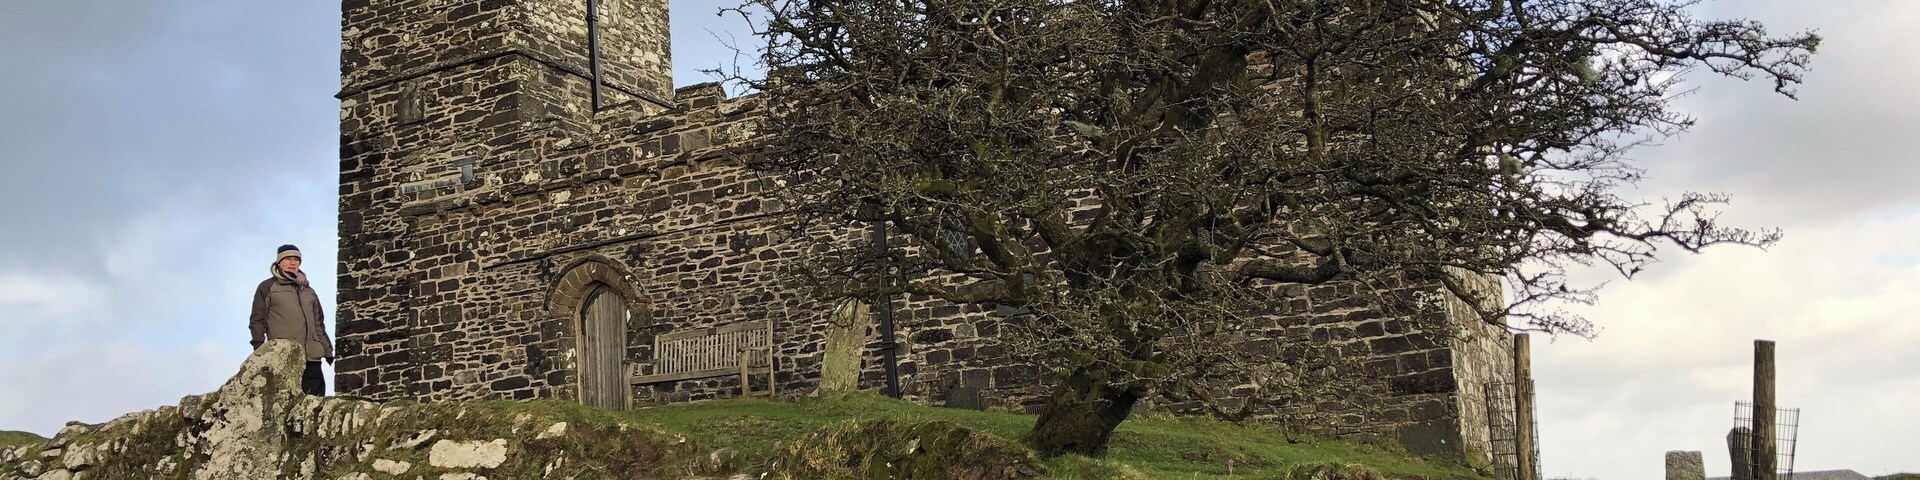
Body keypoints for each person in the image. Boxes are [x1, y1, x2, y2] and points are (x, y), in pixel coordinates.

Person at [249, 244, 334, 396]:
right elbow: (257, 320)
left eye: (296, 259)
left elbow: (318, 323)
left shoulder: (309, 291)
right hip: (285, 356)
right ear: (279, 262)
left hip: (312, 358)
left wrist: (327, 351)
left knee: (315, 404)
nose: (293, 263)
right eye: (288, 259)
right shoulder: (267, 287)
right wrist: (259, 348)